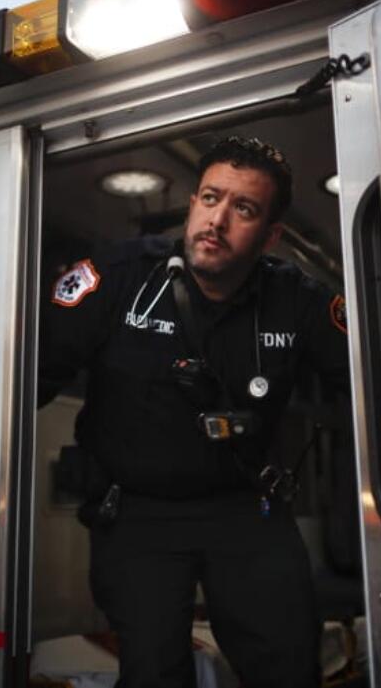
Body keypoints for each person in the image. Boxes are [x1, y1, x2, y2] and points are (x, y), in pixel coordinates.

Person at [39, 135, 350, 688]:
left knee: (290, 665)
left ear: (271, 235)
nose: (218, 219)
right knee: (155, 672)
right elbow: (25, 380)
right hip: (137, 516)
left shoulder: (297, 300)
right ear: (192, 203)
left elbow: (368, 390)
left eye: (244, 209)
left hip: (246, 512)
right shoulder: (120, 279)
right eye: (210, 198)